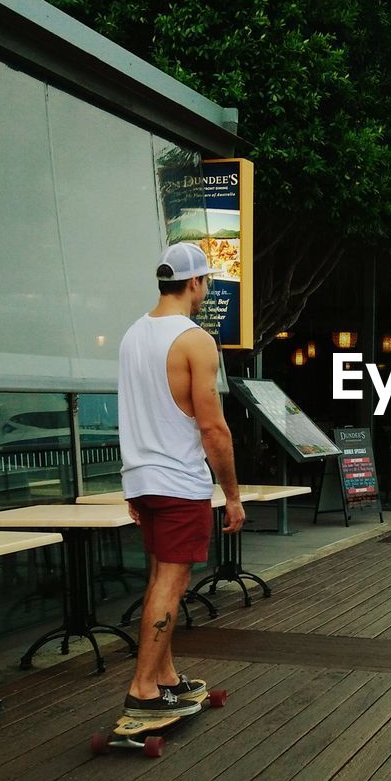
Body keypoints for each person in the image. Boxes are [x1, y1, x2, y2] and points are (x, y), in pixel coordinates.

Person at [118, 243, 245, 716]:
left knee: (158, 578)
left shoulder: (133, 335)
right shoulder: (195, 340)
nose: (206, 289)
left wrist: (131, 481)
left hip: (144, 477)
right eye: (207, 281)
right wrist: (231, 495)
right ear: (194, 283)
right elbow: (213, 428)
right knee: (172, 581)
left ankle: (166, 677)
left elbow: (131, 411)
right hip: (178, 479)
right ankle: (144, 691)